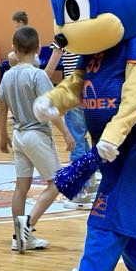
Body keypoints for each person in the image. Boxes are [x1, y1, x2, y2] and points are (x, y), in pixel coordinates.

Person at [0, 26, 75, 252]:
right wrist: (65, 132)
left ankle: (18, 237)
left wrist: (3, 136)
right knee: (57, 183)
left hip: (18, 135)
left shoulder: (8, 75)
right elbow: (49, 108)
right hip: (37, 135)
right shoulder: (37, 75)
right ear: (38, 48)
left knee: (21, 187)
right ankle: (27, 228)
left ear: (14, 48)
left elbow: (2, 109)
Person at [45, 40, 95, 207]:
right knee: (85, 139)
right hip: (94, 91)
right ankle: (91, 181)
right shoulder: (91, 33)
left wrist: (38, 78)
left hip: (74, 93)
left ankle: (80, 191)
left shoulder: (64, 36)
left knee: (76, 141)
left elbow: (50, 69)